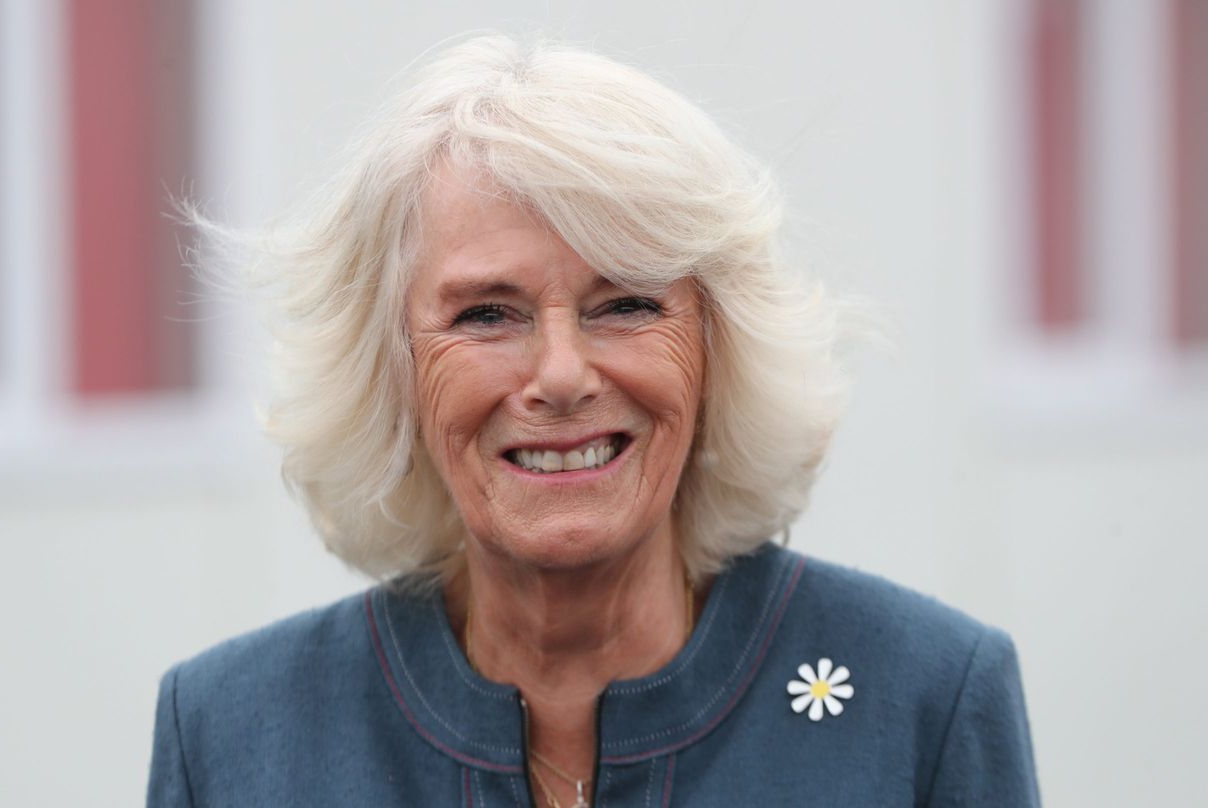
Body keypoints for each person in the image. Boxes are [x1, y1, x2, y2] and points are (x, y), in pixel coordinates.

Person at [147, 35, 1039, 807]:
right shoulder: (232, 737)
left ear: (719, 349)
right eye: (486, 315)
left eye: (627, 305)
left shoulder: (925, 699)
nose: (562, 375)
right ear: (393, 374)